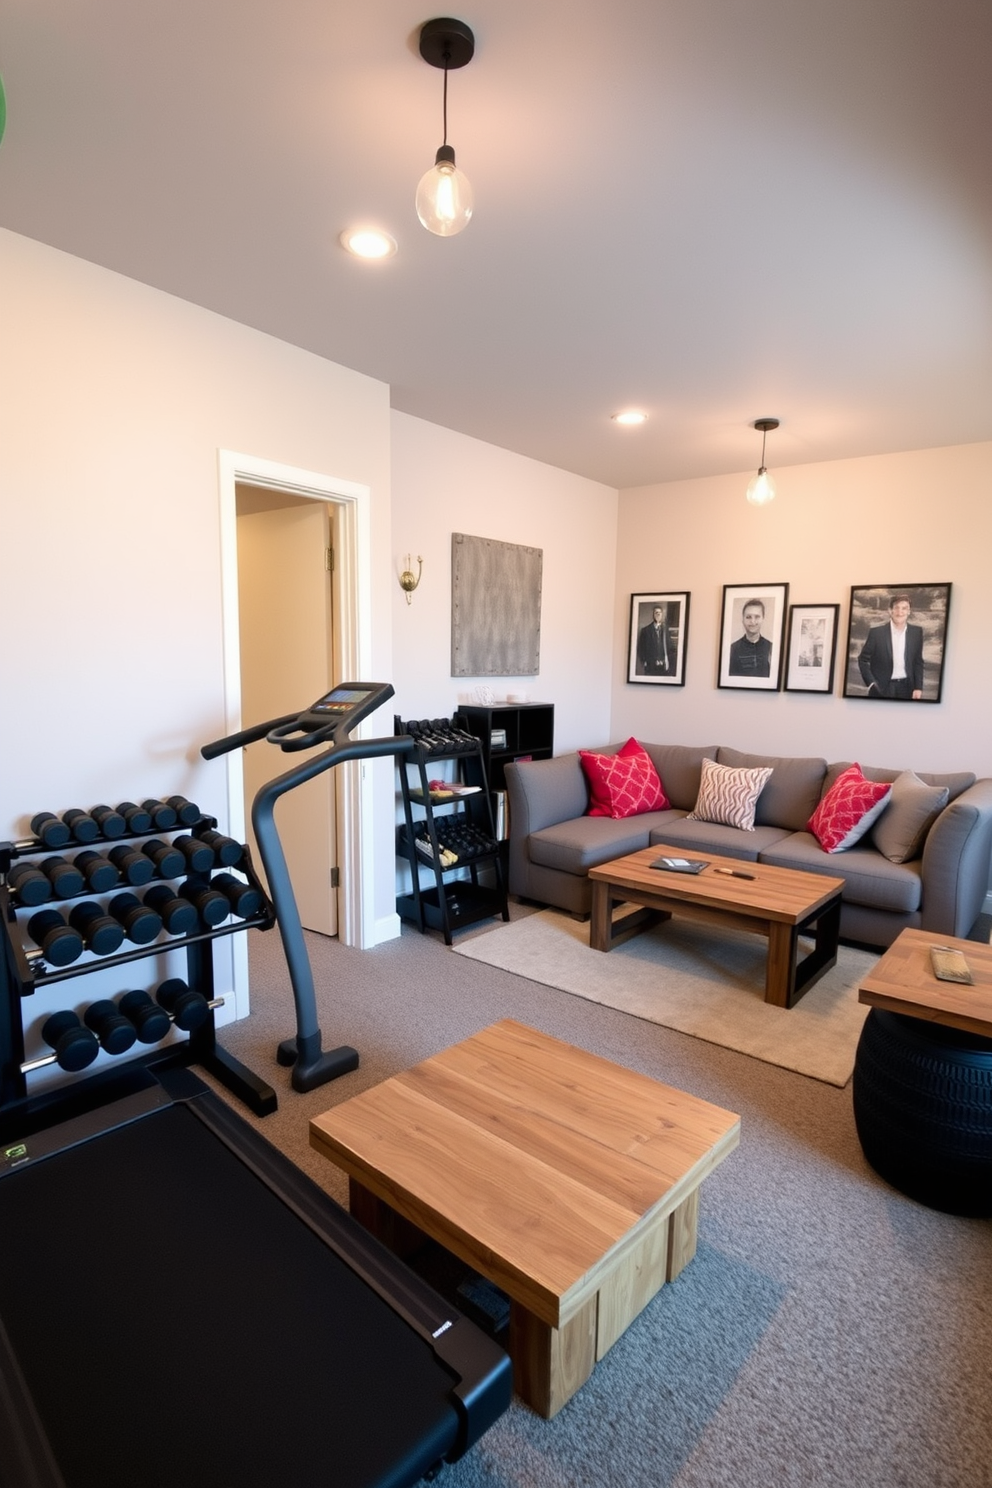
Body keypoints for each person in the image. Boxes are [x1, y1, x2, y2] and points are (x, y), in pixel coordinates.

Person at [858, 594, 924, 699]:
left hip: (907, 687)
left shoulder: (916, 633)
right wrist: (871, 683)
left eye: (904, 608)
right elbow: (863, 659)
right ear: (890, 611)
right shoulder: (876, 633)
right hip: (881, 687)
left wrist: (918, 687)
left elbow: (918, 661)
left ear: (909, 612)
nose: (900, 612)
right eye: (896, 608)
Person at [728, 598, 772, 677]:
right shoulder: (733, 649)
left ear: (763, 619)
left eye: (757, 617)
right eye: (748, 617)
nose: (752, 621)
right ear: (743, 620)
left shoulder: (771, 647)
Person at [636, 604, 677, 675]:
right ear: (653, 615)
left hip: (663, 665)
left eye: (659, 613)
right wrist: (644, 661)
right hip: (650, 664)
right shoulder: (645, 630)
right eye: (656, 612)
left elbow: (669, 646)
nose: (658, 614)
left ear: (661, 615)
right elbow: (641, 648)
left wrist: (668, 660)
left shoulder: (665, 630)